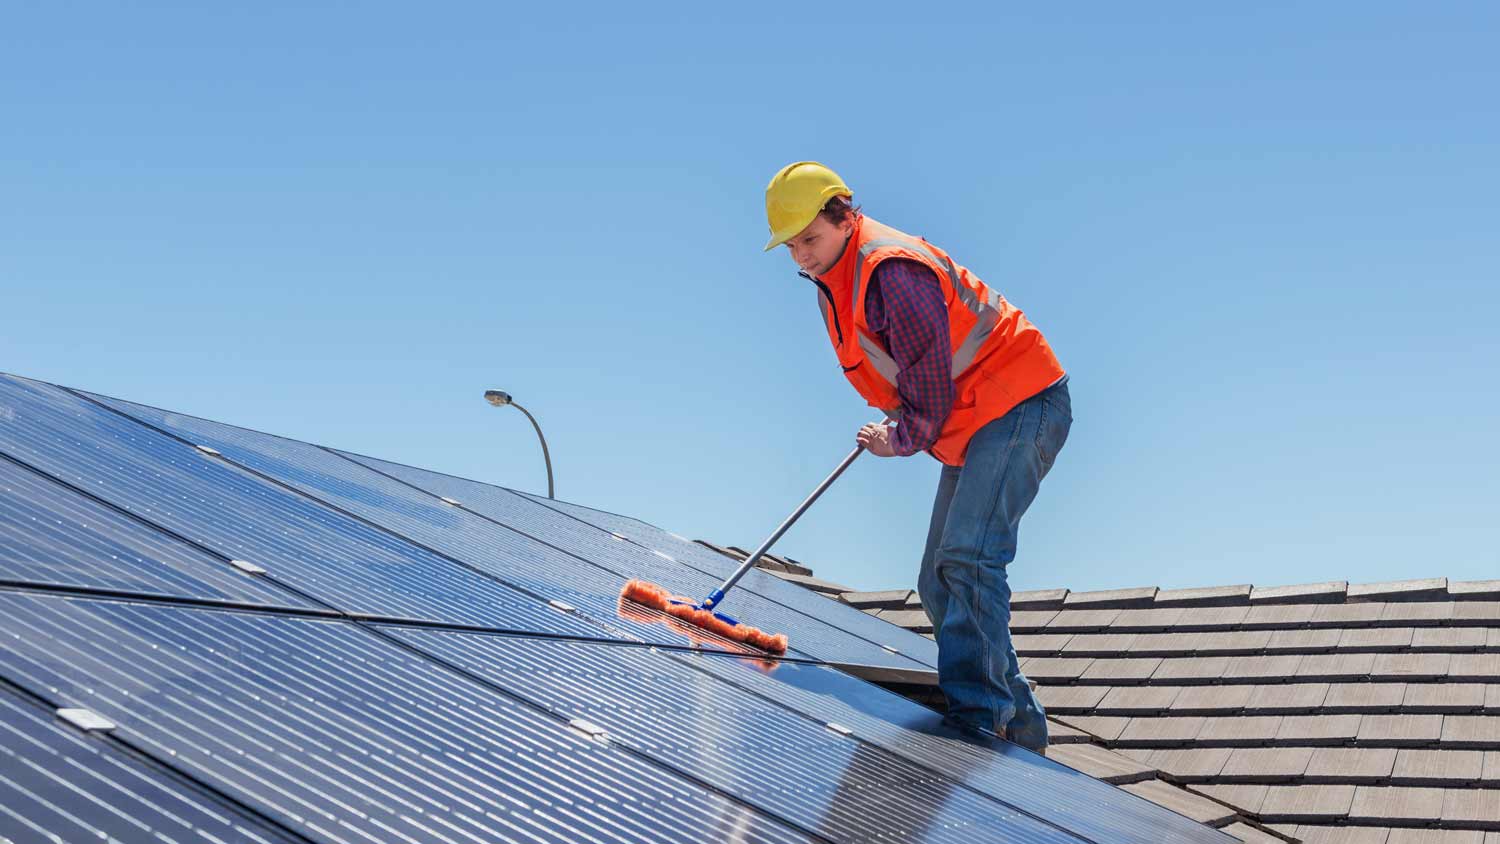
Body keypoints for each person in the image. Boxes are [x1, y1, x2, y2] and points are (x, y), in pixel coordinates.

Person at [762, 161, 1072, 752]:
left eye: (811, 238)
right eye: (792, 244)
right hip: (978, 417)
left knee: (969, 558)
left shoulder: (890, 272)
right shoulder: (841, 273)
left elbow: (930, 394)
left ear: (844, 217)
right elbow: (914, 371)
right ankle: (1021, 724)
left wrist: (898, 438)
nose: (802, 254)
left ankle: (980, 719)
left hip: (1019, 402)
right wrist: (901, 416)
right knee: (937, 580)